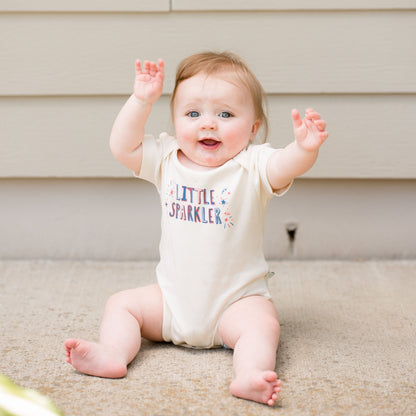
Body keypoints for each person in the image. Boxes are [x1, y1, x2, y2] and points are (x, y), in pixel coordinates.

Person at [65, 51, 328, 406]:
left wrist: (304, 149)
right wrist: (141, 101)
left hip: (234, 304)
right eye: (193, 114)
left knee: (263, 325)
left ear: (253, 128)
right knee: (122, 304)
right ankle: (113, 352)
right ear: (175, 122)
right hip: (171, 302)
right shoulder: (166, 158)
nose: (208, 124)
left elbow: (286, 165)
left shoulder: (253, 166)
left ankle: (249, 374)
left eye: (225, 114)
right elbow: (122, 146)